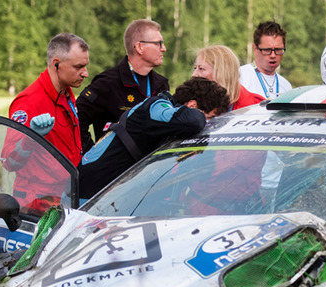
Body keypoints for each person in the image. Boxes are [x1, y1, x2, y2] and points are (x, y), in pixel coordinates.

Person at [78, 77, 230, 200]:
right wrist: (199, 116)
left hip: (102, 188)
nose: (208, 125)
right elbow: (194, 120)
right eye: (210, 118)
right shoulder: (157, 106)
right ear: (192, 105)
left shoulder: (171, 118)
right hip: (88, 187)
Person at [6, 32, 89, 211]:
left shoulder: (66, 93)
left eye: (85, 66)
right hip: (36, 203)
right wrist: (31, 138)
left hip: (64, 196)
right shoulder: (28, 103)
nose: (86, 73)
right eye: (78, 66)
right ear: (56, 64)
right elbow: (9, 162)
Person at [77, 19, 170, 152]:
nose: (164, 48)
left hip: (150, 169)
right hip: (116, 170)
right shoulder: (108, 83)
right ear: (139, 47)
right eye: (158, 43)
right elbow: (77, 118)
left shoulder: (161, 85)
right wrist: (92, 154)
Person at [192, 45, 265, 110]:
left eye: (201, 68)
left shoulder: (256, 106)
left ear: (222, 73)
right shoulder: (190, 104)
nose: (194, 74)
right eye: (195, 68)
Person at [239, 21, 292, 100]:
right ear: (255, 48)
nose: (273, 55)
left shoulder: (286, 86)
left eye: (278, 50)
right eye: (267, 50)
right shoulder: (240, 77)